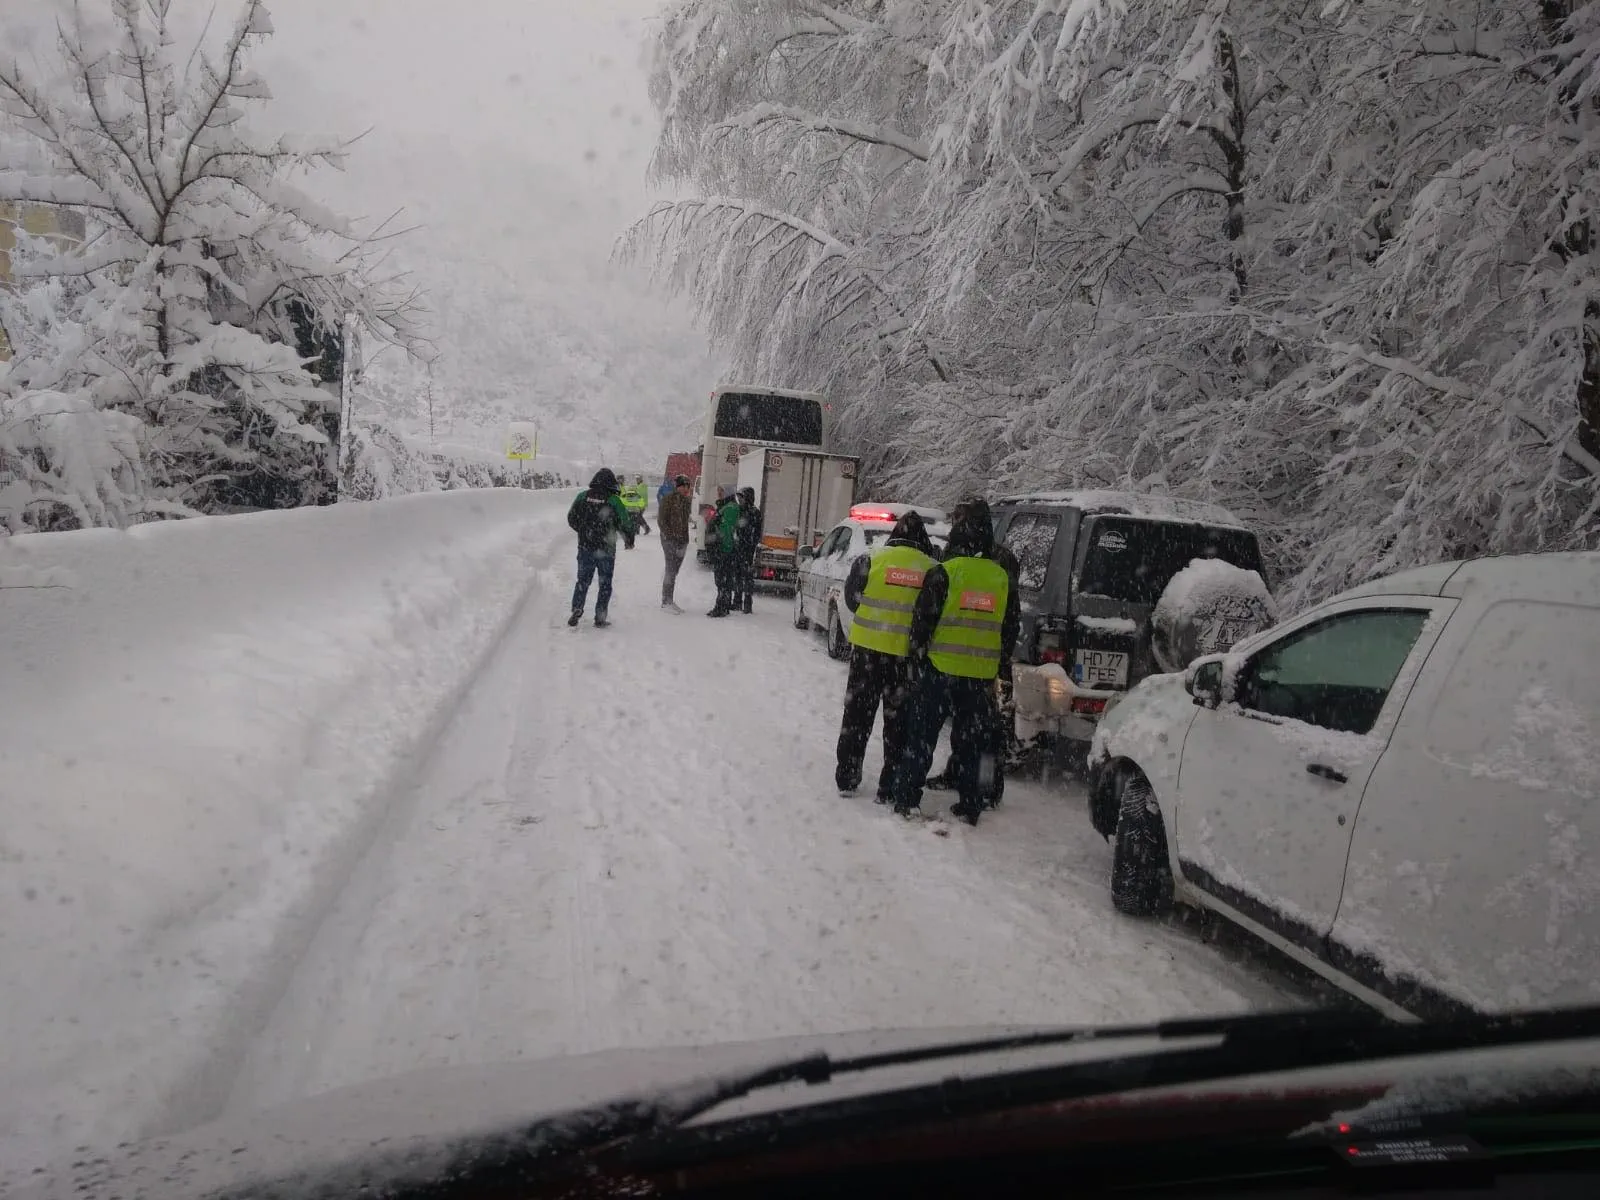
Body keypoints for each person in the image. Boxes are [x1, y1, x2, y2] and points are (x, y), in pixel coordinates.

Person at [892, 497, 1020, 824]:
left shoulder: (944, 572)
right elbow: (1009, 625)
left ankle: (907, 797)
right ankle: (972, 803)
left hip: (940, 670)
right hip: (979, 675)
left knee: (921, 736)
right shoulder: (1001, 575)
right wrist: (998, 661)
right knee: (973, 741)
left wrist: (917, 658)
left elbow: (923, 622)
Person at [835, 510, 937, 802]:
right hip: (905, 659)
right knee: (899, 724)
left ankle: (848, 776)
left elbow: (852, 599)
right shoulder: (931, 568)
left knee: (857, 717)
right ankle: (889, 784)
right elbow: (931, 613)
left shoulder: (871, 559)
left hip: (867, 652)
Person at [924, 506, 1021, 807]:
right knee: (979, 729)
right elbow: (1010, 615)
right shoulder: (1004, 558)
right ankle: (977, 784)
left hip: (963, 659)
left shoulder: (963, 555)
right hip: (986, 659)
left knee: (979, 730)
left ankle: (983, 785)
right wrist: (1002, 654)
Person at [566, 467, 637, 628]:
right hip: (606, 550)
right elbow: (625, 522)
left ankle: (577, 608)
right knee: (605, 584)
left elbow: (571, 518)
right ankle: (600, 617)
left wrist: (584, 531)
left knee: (583, 580)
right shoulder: (613, 500)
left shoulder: (582, 496)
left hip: (585, 547)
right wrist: (629, 539)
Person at [658, 474, 693, 612]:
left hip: (682, 541)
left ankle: (668, 599)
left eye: (687, 486)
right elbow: (662, 520)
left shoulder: (686, 501)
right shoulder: (668, 500)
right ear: (678, 486)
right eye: (683, 486)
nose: (686, 489)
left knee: (674, 570)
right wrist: (669, 536)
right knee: (671, 569)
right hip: (670, 541)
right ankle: (666, 601)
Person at [707, 491, 742, 617]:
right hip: (725, 550)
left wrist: (722, 548)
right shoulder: (728, 506)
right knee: (724, 580)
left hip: (724, 550)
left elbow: (727, 530)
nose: (718, 494)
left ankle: (721, 607)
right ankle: (724, 605)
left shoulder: (730, 508)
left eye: (721, 492)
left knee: (722, 580)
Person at [732, 485, 763, 614]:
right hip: (741, 548)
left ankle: (746, 603)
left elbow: (755, 533)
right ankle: (739, 601)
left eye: (742, 498)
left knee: (746, 576)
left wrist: (749, 544)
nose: (740, 501)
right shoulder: (744, 510)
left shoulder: (752, 512)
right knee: (739, 575)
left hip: (747, 549)